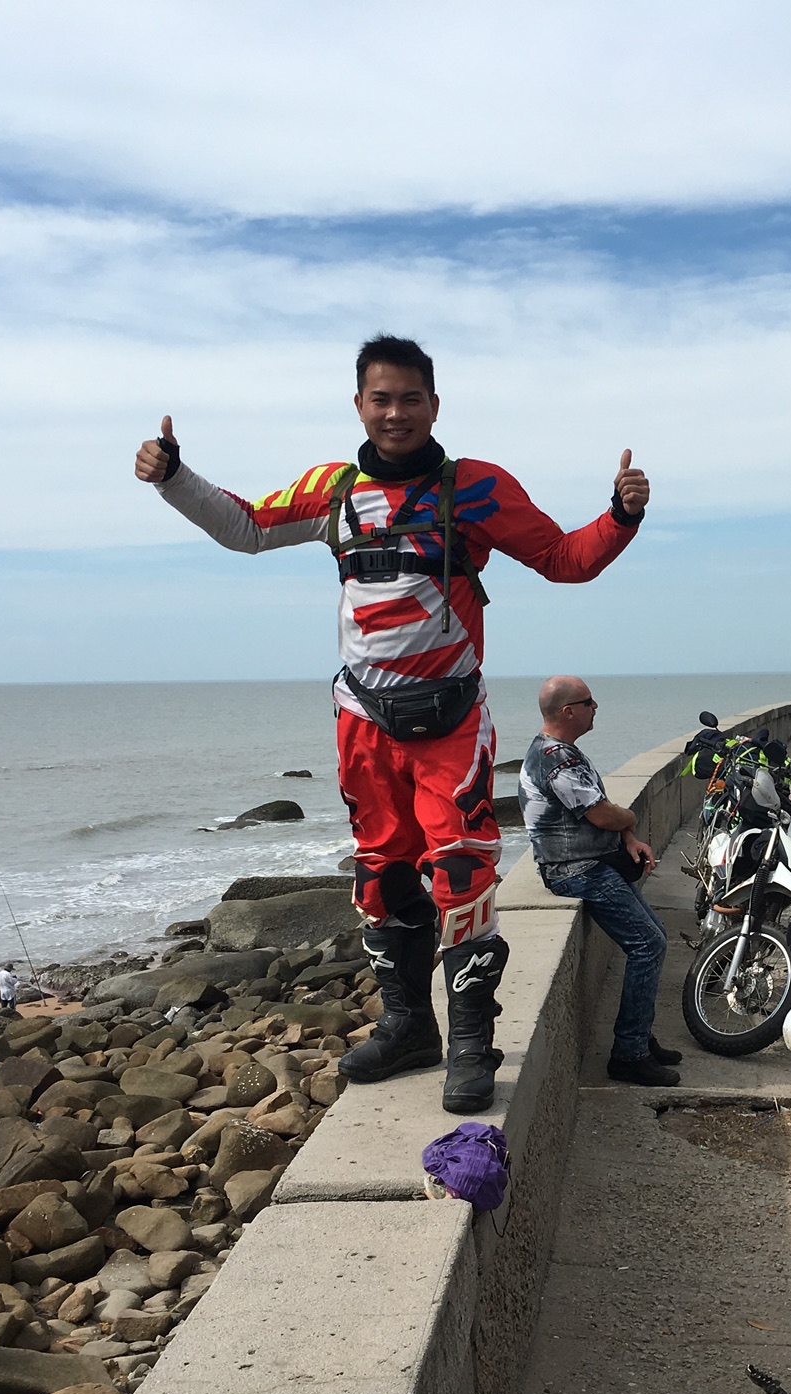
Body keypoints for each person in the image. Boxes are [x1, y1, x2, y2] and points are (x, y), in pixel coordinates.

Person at [134, 335, 649, 1113]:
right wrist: (174, 477)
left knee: (466, 874)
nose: (396, 412)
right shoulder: (334, 489)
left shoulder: (475, 489)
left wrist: (619, 515)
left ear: (434, 405)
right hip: (363, 722)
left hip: (451, 724)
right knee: (380, 874)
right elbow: (246, 526)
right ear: (359, 406)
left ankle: (472, 1044)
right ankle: (410, 1027)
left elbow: (564, 559)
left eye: (411, 398)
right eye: (382, 398)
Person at [519, 677, 681, 1087]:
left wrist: (629, 836)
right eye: (588, 702)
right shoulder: (556, 759)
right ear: (567, 711)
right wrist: (627, 820)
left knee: (655, 935)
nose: (596, 707)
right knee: (648, 944)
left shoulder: (564, 754)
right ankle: (629, 1053)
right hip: (574, 872)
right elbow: (603, 815)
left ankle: (639, 1036)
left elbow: (601, 811)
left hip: (590, 863)